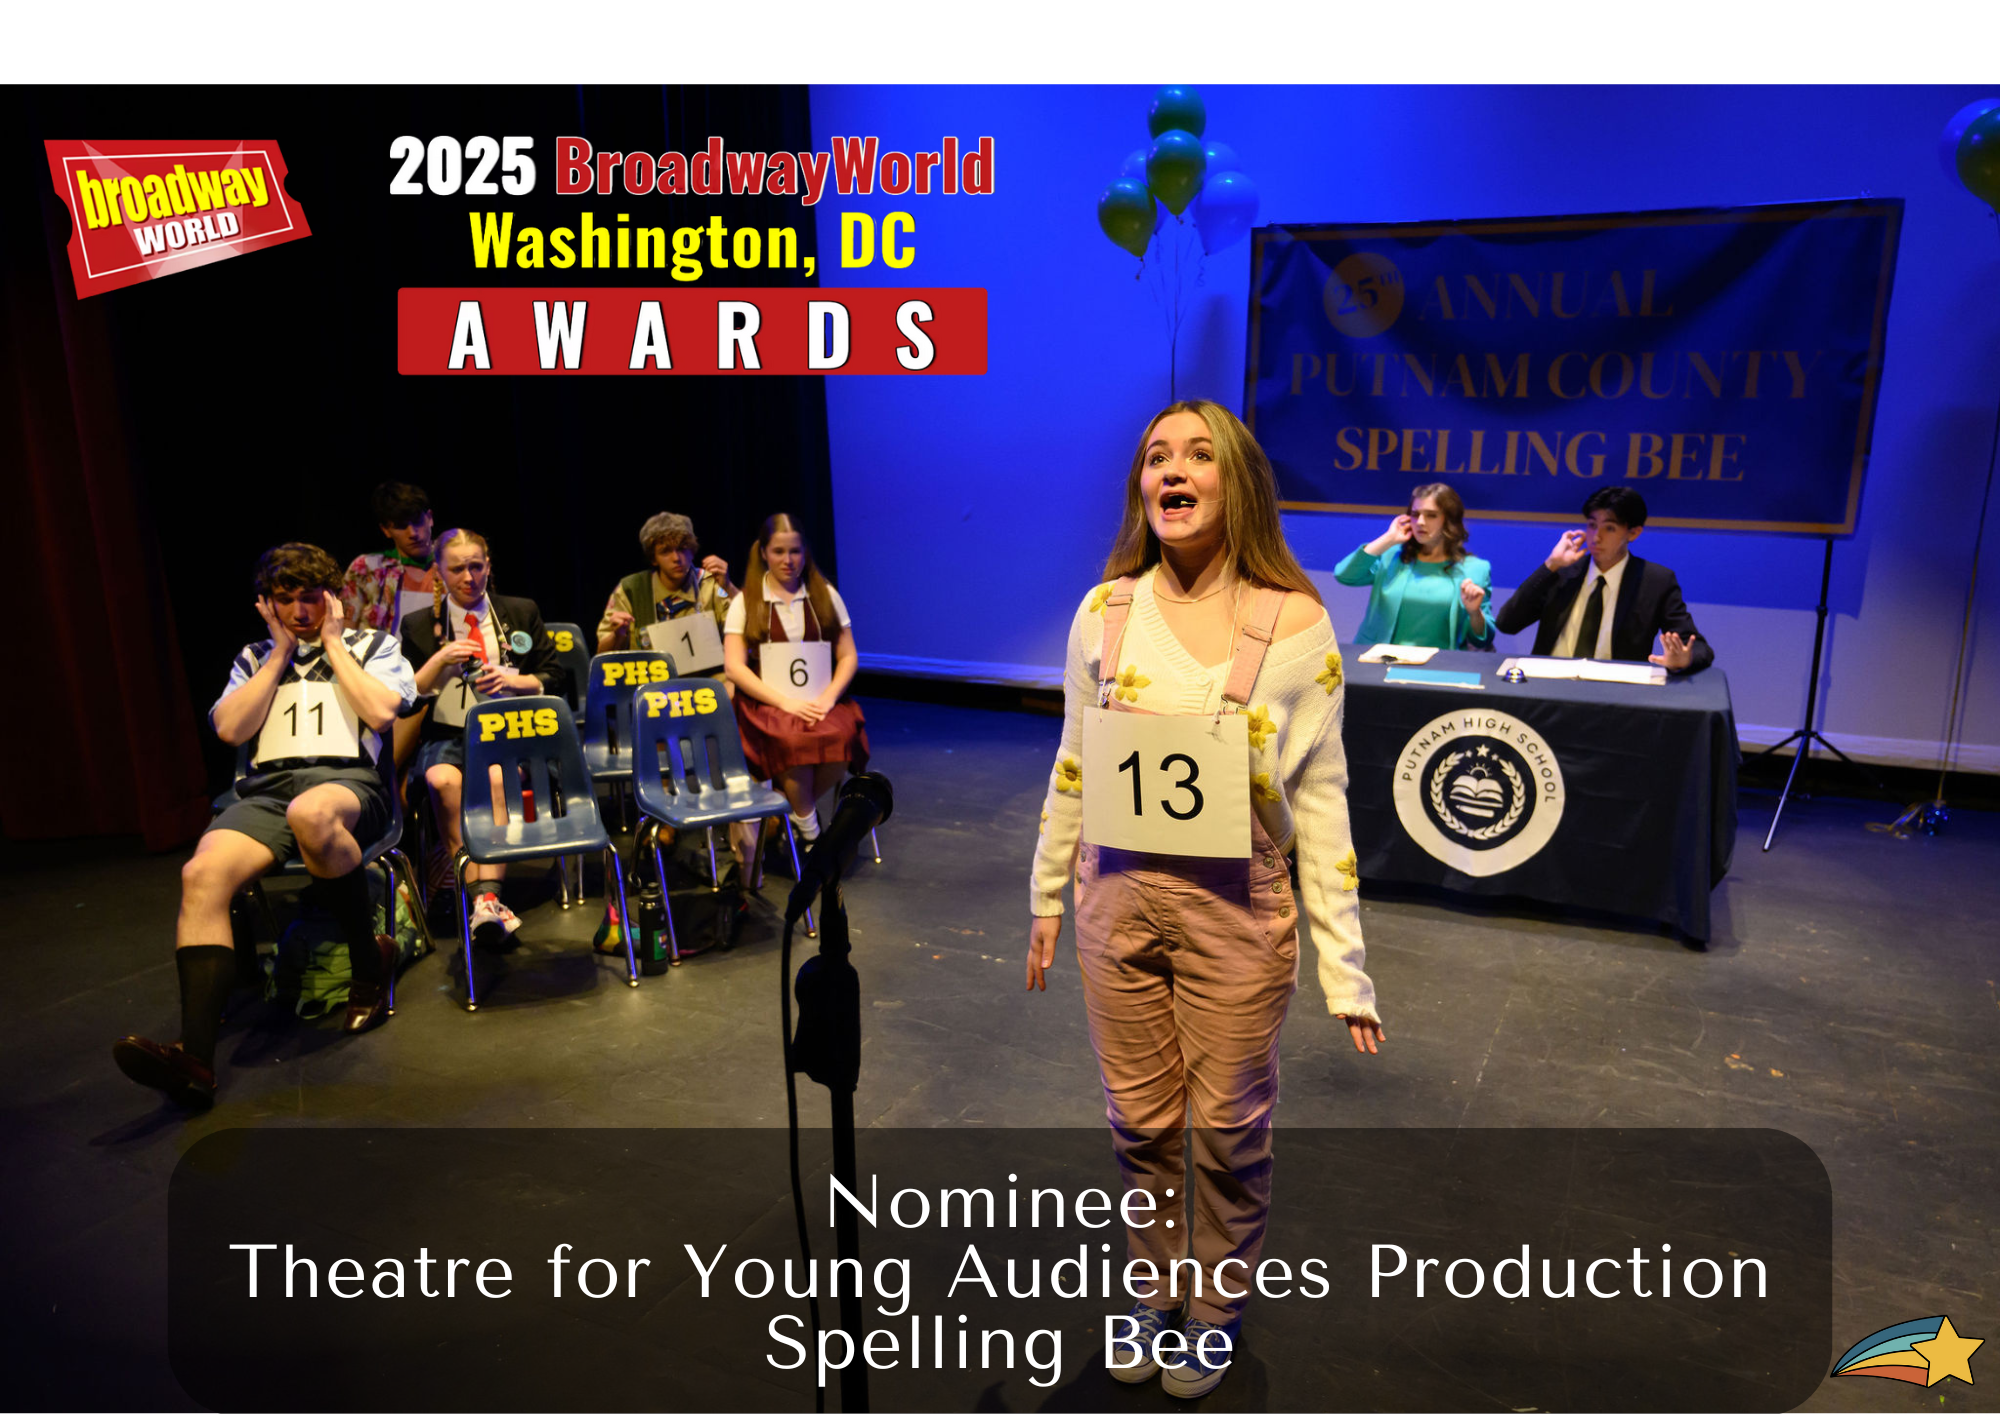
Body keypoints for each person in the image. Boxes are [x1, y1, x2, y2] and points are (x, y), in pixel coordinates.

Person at [1024, 399, 1383, 1398]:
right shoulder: (1101, 614)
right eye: (1153, 456)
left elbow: (1321, 799)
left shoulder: (1295, 624)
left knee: (1224, 1125)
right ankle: (1153, 1288)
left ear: (1236, 481)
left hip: (1236, 906)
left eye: (1196, 454)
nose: (1171, 470)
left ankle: (1214, 1305)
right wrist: (1047, 898)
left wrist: (1345, 968)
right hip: (1115, 897)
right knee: (1139, 1121)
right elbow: (1070, 765)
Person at [112, 544, 415, 1110]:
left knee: (313, 814)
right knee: (201, 872)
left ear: (333, 599)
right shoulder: (254, 657)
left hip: (349, 789)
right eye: (286, 601)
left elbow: (381, 713)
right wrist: (278, 655)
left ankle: (368, 963)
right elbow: (229, 729)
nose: (300, 612)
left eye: (311, 599)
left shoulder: (374, 646)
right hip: (268, 792)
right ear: (267, 605)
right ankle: (195, 1057)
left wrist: (332, 645)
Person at [401, 529, 561, 943]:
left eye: (477, 566)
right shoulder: (418, 624)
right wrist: (438, 661)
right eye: (457, 569)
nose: (469, 577)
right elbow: (405, 695)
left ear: (488, 565)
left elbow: (555, 676)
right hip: (448, 734)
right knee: (441, 780)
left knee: (495, 780)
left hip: (511, 731)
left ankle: (483, 897)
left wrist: (515, 680)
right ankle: (480, 897)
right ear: (439, 573)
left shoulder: (520, 611)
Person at [722, 514, 868, 884]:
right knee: (792, 739)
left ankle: (784, 817)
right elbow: (735, 667)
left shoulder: (824, 594)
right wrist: (784, 703)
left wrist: (829, 697)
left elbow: (848, 656)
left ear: (806, 552)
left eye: (796, 551)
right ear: (764, 553)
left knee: (841, 734)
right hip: (766, 705)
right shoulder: (748, 601)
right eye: (779, 551)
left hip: (817, 698)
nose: (788, 560)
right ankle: (810, 833)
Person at [1492, 486, 1713, 673]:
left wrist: (1684, 659)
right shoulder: (1564, 572)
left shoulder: (1655, 582)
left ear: (1633, 533)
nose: (1596, 537)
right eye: (1591, 525)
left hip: (1616, 697)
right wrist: (1550, 565)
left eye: (1609, 528)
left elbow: (1700, 648)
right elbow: (1507, 623)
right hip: (1550, 685)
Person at [340, 482, 439, 770]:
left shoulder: (455, 564)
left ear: (430, 517)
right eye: (401, 525)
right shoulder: (367, 568)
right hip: (381, 676)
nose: (413, 532)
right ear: (386, 530)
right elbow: (344, 631)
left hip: (439, 677)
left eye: (418, 521)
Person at [1333, 482, 1494, 650]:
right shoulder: (1391, 557)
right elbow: (1344, 575)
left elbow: (1482, 640)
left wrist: (1475, 612)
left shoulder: (1475, 569)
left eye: (1431, 515)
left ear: (1449, 520)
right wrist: (1388, 539)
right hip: (1380, 662)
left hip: (1440, 666)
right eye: (1415, 514)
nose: (1421, 522)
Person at [595, 511, 736, 666]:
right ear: (653, 558)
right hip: (651, 683)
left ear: (692, 550)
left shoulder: (709, 583)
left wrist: (729, 587)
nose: (676, 558)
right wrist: (618, 634)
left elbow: (749, 634)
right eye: (666, 551)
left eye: (682, 548)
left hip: (708, 681)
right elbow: (602, 656)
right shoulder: (631, 591)